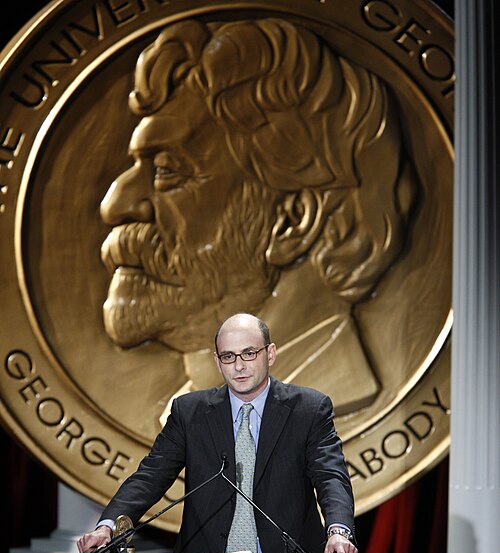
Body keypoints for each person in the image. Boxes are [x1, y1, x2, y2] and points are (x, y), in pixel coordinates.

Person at [99, 17, 417, 418]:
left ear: (293, 219)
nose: (113, 204)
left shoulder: (325, 404)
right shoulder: (184, 416)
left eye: (168, 170)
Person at [77, 314, 357, 553]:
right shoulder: (190, 412)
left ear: (270, 353)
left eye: (249, 353)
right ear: (217, 361)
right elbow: (151, 475)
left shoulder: (308, 409)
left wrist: (339, 531)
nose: (239, 366)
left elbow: (331, 477)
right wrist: (108, 526)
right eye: (228, 356)